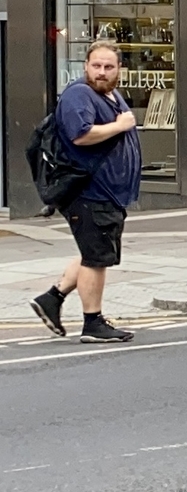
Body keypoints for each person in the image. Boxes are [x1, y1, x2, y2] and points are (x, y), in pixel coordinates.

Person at [31, 42, 142, 343]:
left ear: (120, 69)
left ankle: (52, 298)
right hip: (90, 192)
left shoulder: (109, 94)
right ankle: (92, 323)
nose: (102, 72)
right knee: (96, 258)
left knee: (93, 252)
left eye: (109, 67)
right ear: (86, 66)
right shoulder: (80, 94)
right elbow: (81, 135)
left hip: (106, 194)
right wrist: (120, 126)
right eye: (96, 66)